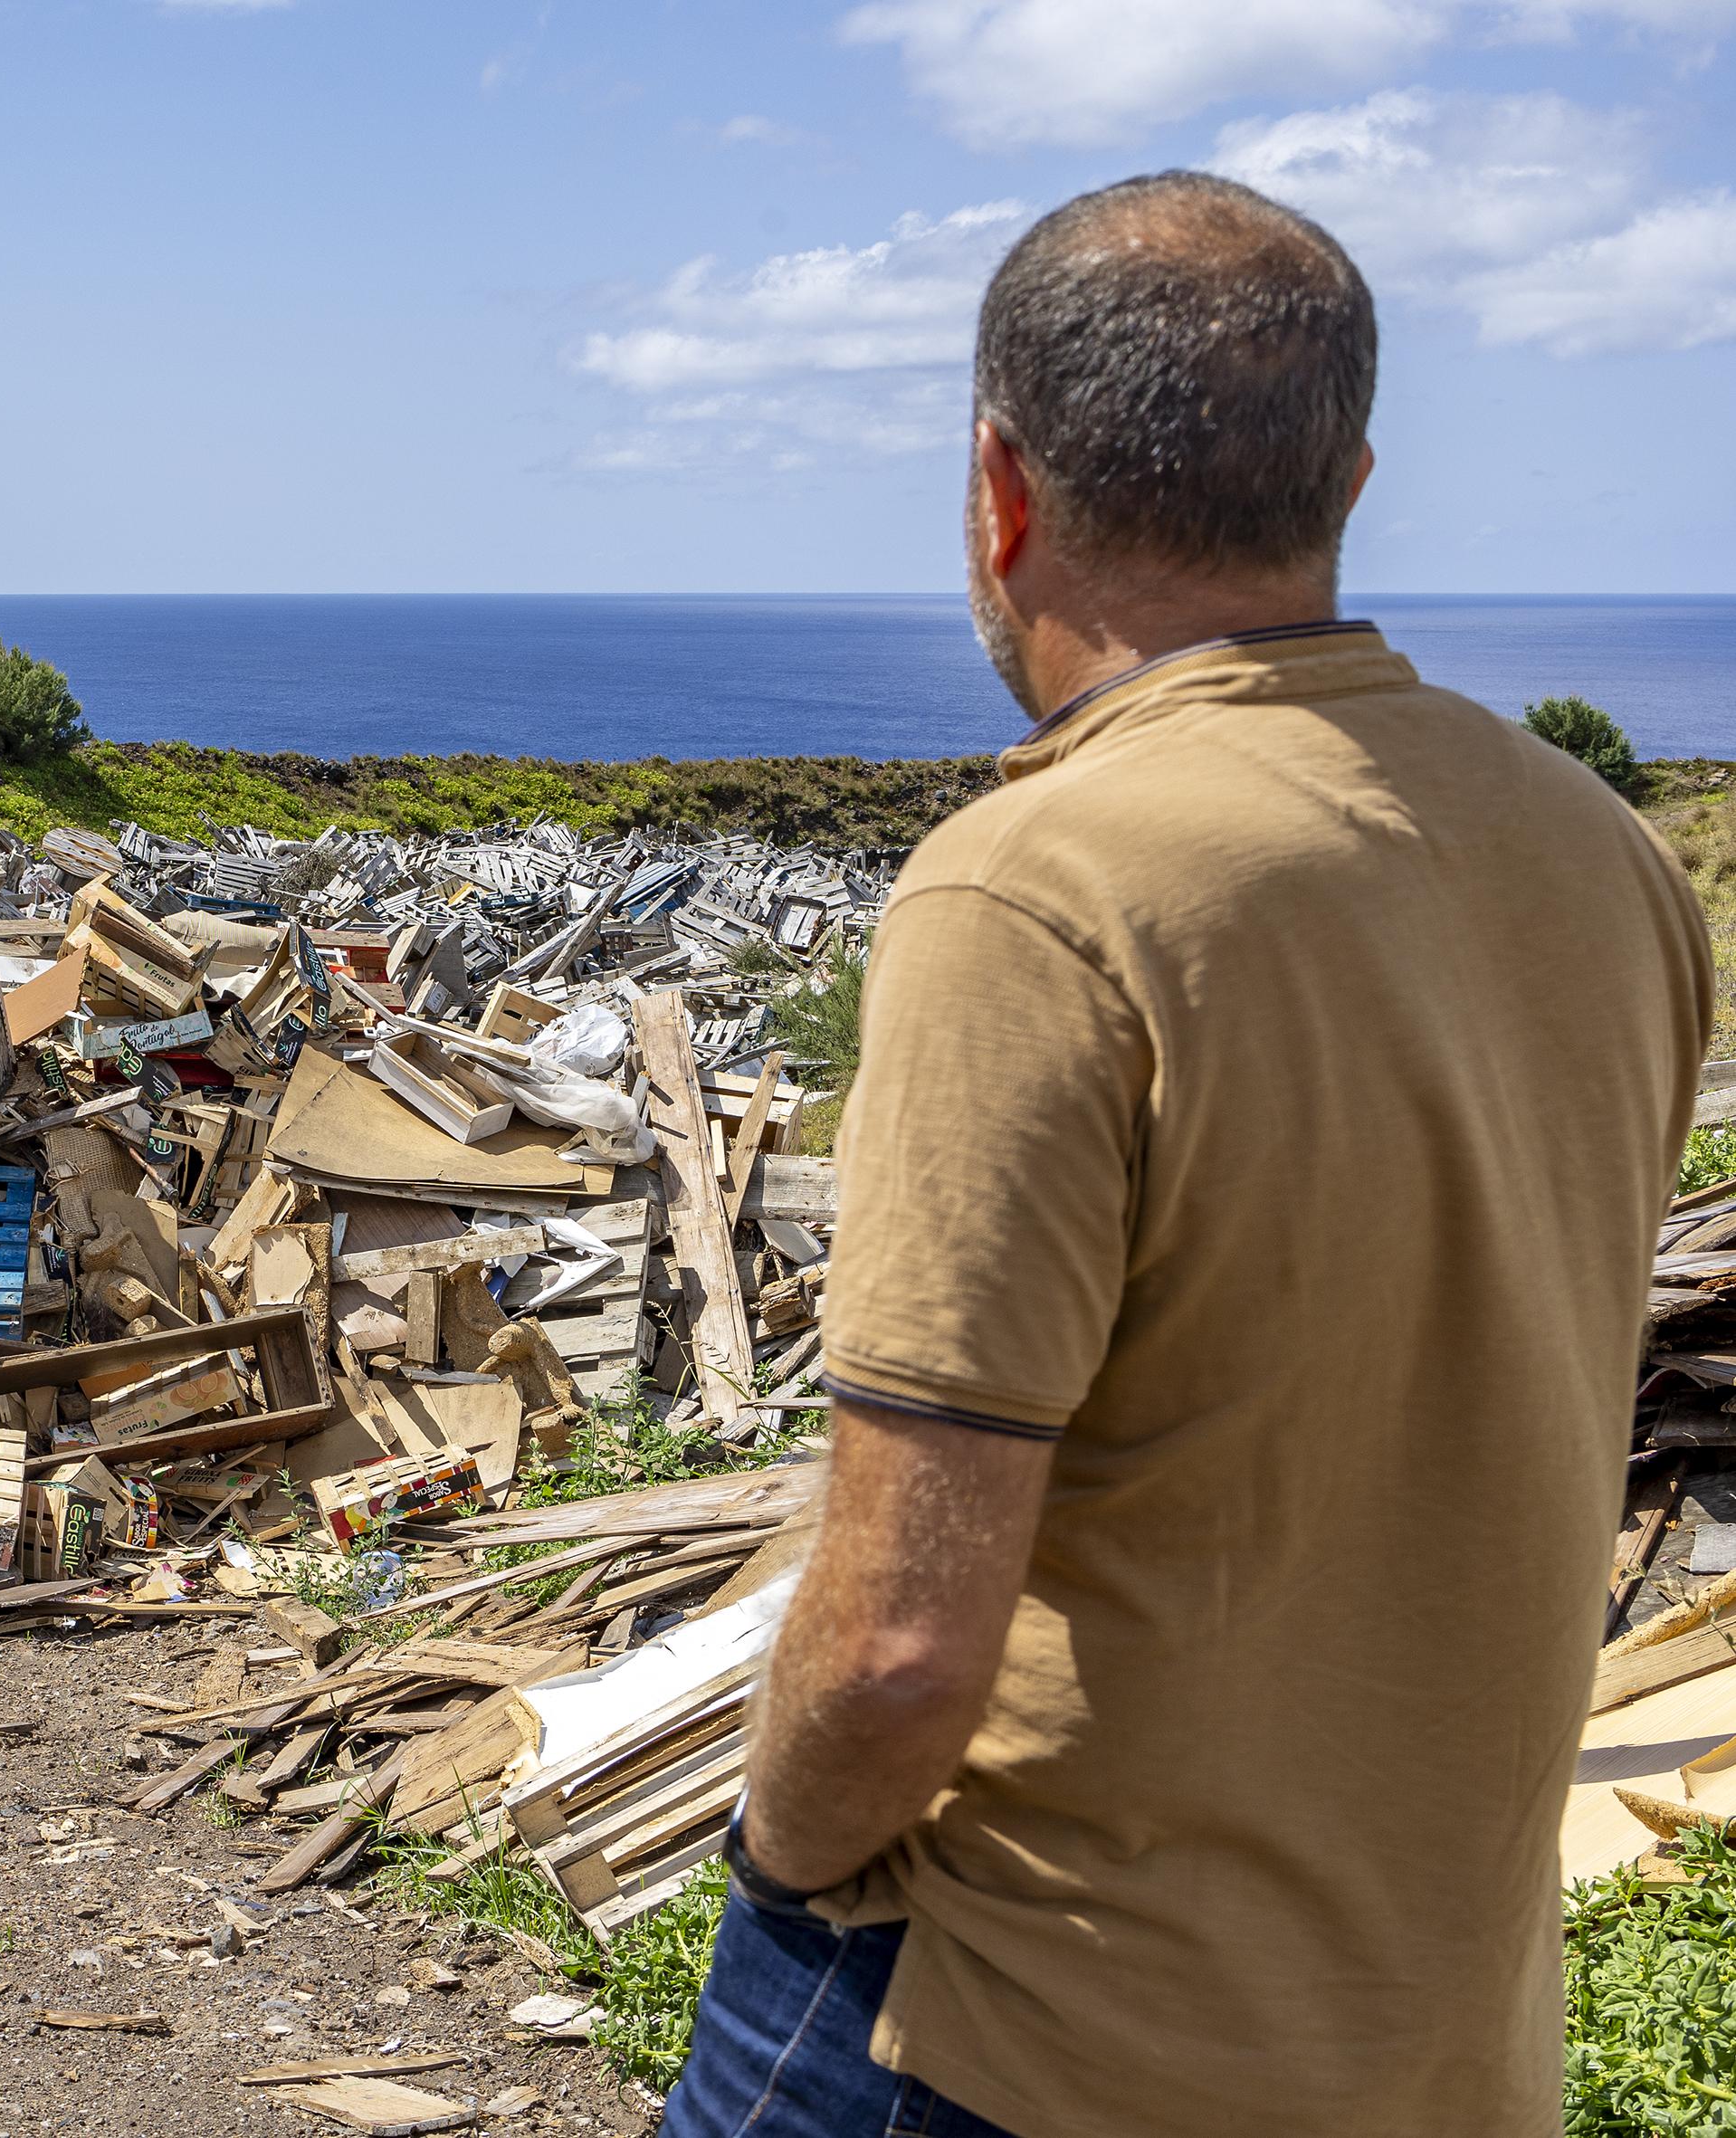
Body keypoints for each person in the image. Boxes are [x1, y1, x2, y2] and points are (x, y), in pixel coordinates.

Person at [658, 172, 1711, 2138]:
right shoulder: (1604, 861)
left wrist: (781, 1870)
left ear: (999, 486)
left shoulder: (1039, 887)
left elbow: (896, 1641)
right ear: (1349, 473)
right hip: (1435, 2041)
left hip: (1028, 2027)